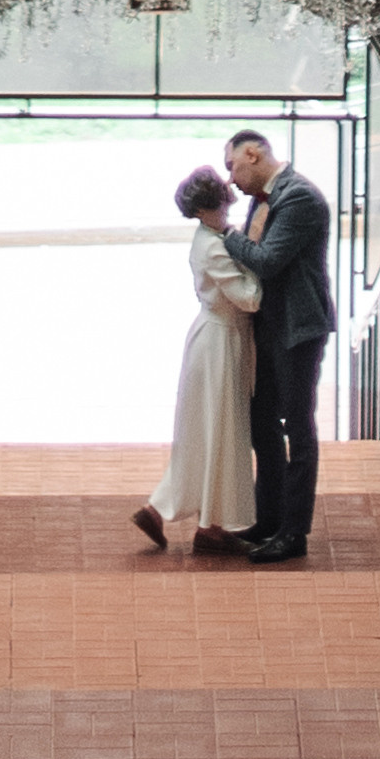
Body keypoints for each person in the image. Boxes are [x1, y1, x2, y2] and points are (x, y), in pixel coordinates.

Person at [198, 127, 333, 565]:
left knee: (298, 427)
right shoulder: (265, 197)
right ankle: (269, 518)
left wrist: (224, 232)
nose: (231, 180)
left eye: (233, 166)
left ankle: (294, 532)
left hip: (298, 329)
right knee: (261, 422)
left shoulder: (300, 197)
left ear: (253, 154)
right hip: (273, 328)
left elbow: (268, 260)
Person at [133, 164, 262, 556]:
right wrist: (259, 265)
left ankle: (167, 509)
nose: (225, 213)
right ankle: (211, 523)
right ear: (206, 210)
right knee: (222, 430)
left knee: (204, 432)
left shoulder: (206, 238)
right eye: (220, 207)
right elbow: (249, 298)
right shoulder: (215, 245)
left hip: (214, 336)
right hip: (222, 341)